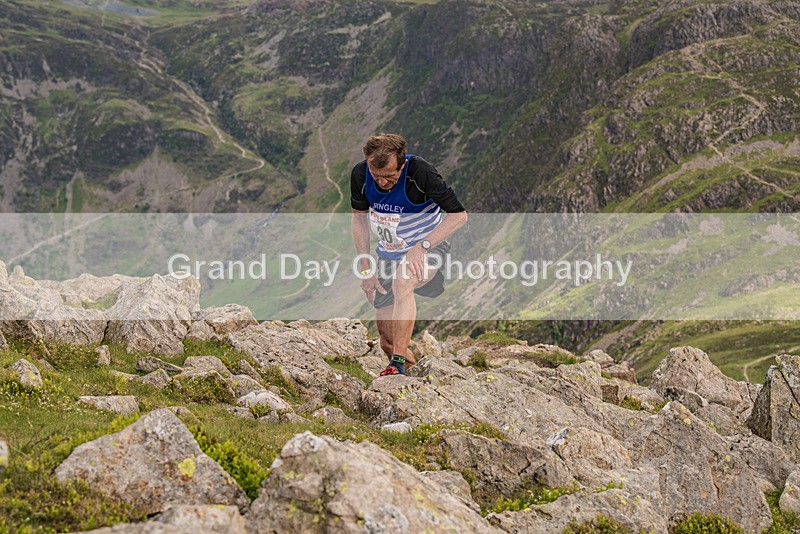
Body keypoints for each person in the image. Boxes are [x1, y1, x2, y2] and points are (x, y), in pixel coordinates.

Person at [350, 134, 468, 376]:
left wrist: (421, 247)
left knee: (402, 280)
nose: (382, 183)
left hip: (429, 248)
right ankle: (413, 374)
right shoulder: (361, 174)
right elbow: (359, 218)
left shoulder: (421, 173)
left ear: (402, 165)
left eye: (389, 177)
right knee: (387, 341)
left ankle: (397, 363)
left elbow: (459, 216)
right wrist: (365, 266)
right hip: (389, 254)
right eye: (377, 176)